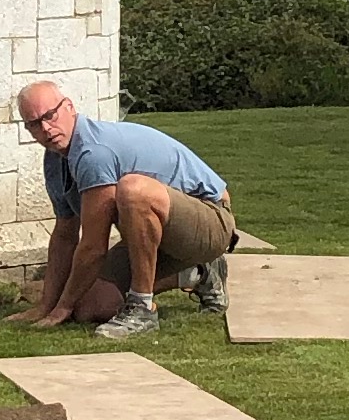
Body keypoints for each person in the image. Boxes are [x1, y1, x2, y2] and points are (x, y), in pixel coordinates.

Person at [15, 81, 237, 342]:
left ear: (69, 107)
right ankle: (198, 274)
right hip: (160, 237)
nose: (46, 128)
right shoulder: (55, 159)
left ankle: (142, 308)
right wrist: (47, 306)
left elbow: (93, 247)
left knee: (133, 190)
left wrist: (62, 307)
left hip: (212, 222)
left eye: (50, 116)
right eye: (34, 123)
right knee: (89, 307)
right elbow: (65, 235)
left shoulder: (92, 153)